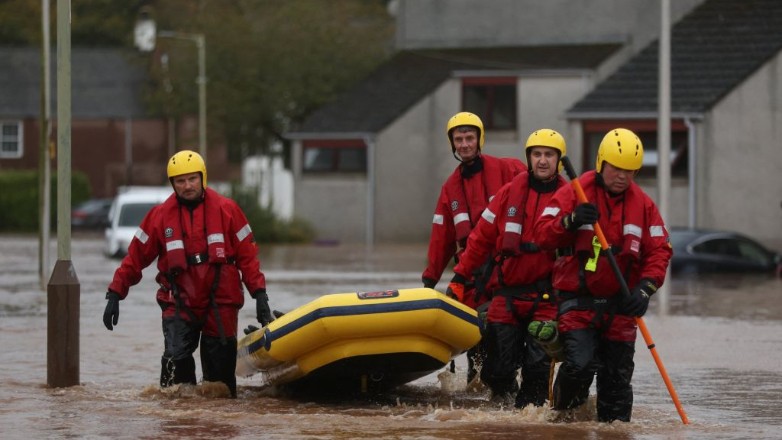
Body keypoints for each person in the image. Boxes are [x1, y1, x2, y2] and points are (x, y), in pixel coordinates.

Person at [102, 150, 272, 398]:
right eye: (180, 181)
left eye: (192, 179)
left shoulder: (228, 210)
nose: (187, 185)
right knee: (174, 365)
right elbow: (134, 259)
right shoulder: (159, 217)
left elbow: (248, 257)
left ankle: (216, 429)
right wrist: (115, 294)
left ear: (202, 178)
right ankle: (180, 426)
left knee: (220, 380)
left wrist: (260, 296)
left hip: (220, 298)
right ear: (172, 184)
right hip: (180, 299)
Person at [533, 128, 672, 422]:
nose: (622, 176)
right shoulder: (576, 191)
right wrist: (570, 221)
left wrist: (645, 289)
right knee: (580, 366)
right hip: (578, 302)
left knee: (617, 383)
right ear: (601, 163)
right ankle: (561, 419)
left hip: (621, 306)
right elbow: (542, 234)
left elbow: (660, 251)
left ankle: (615, 427)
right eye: (616, 169)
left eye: (630, 171)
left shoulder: (644, 205)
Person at [446, 129, 567, 407]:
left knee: (537, 369)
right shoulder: (510, 192)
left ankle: (529, 420)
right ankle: (505, 412)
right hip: (507, 294)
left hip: (546, 298)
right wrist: (460, 276)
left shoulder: (569, 197)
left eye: (549, 155)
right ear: (529, 158)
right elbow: (479, 239)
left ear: (559, 160)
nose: (542, 161)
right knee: (496, 369)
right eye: (537, 154)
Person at [422, 112, 525, 382]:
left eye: (469, 138)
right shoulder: (450, 188)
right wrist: (429, 282)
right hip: (471, 279)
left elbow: (543, 184)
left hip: (505, 273)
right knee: (475, 346)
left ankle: (506, 394)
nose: (465, 144)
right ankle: (478, 405)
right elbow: (440, 238)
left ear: (480, 139)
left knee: (502, 339)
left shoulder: (508, 169)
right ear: (452, 144)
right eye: (459, 139)